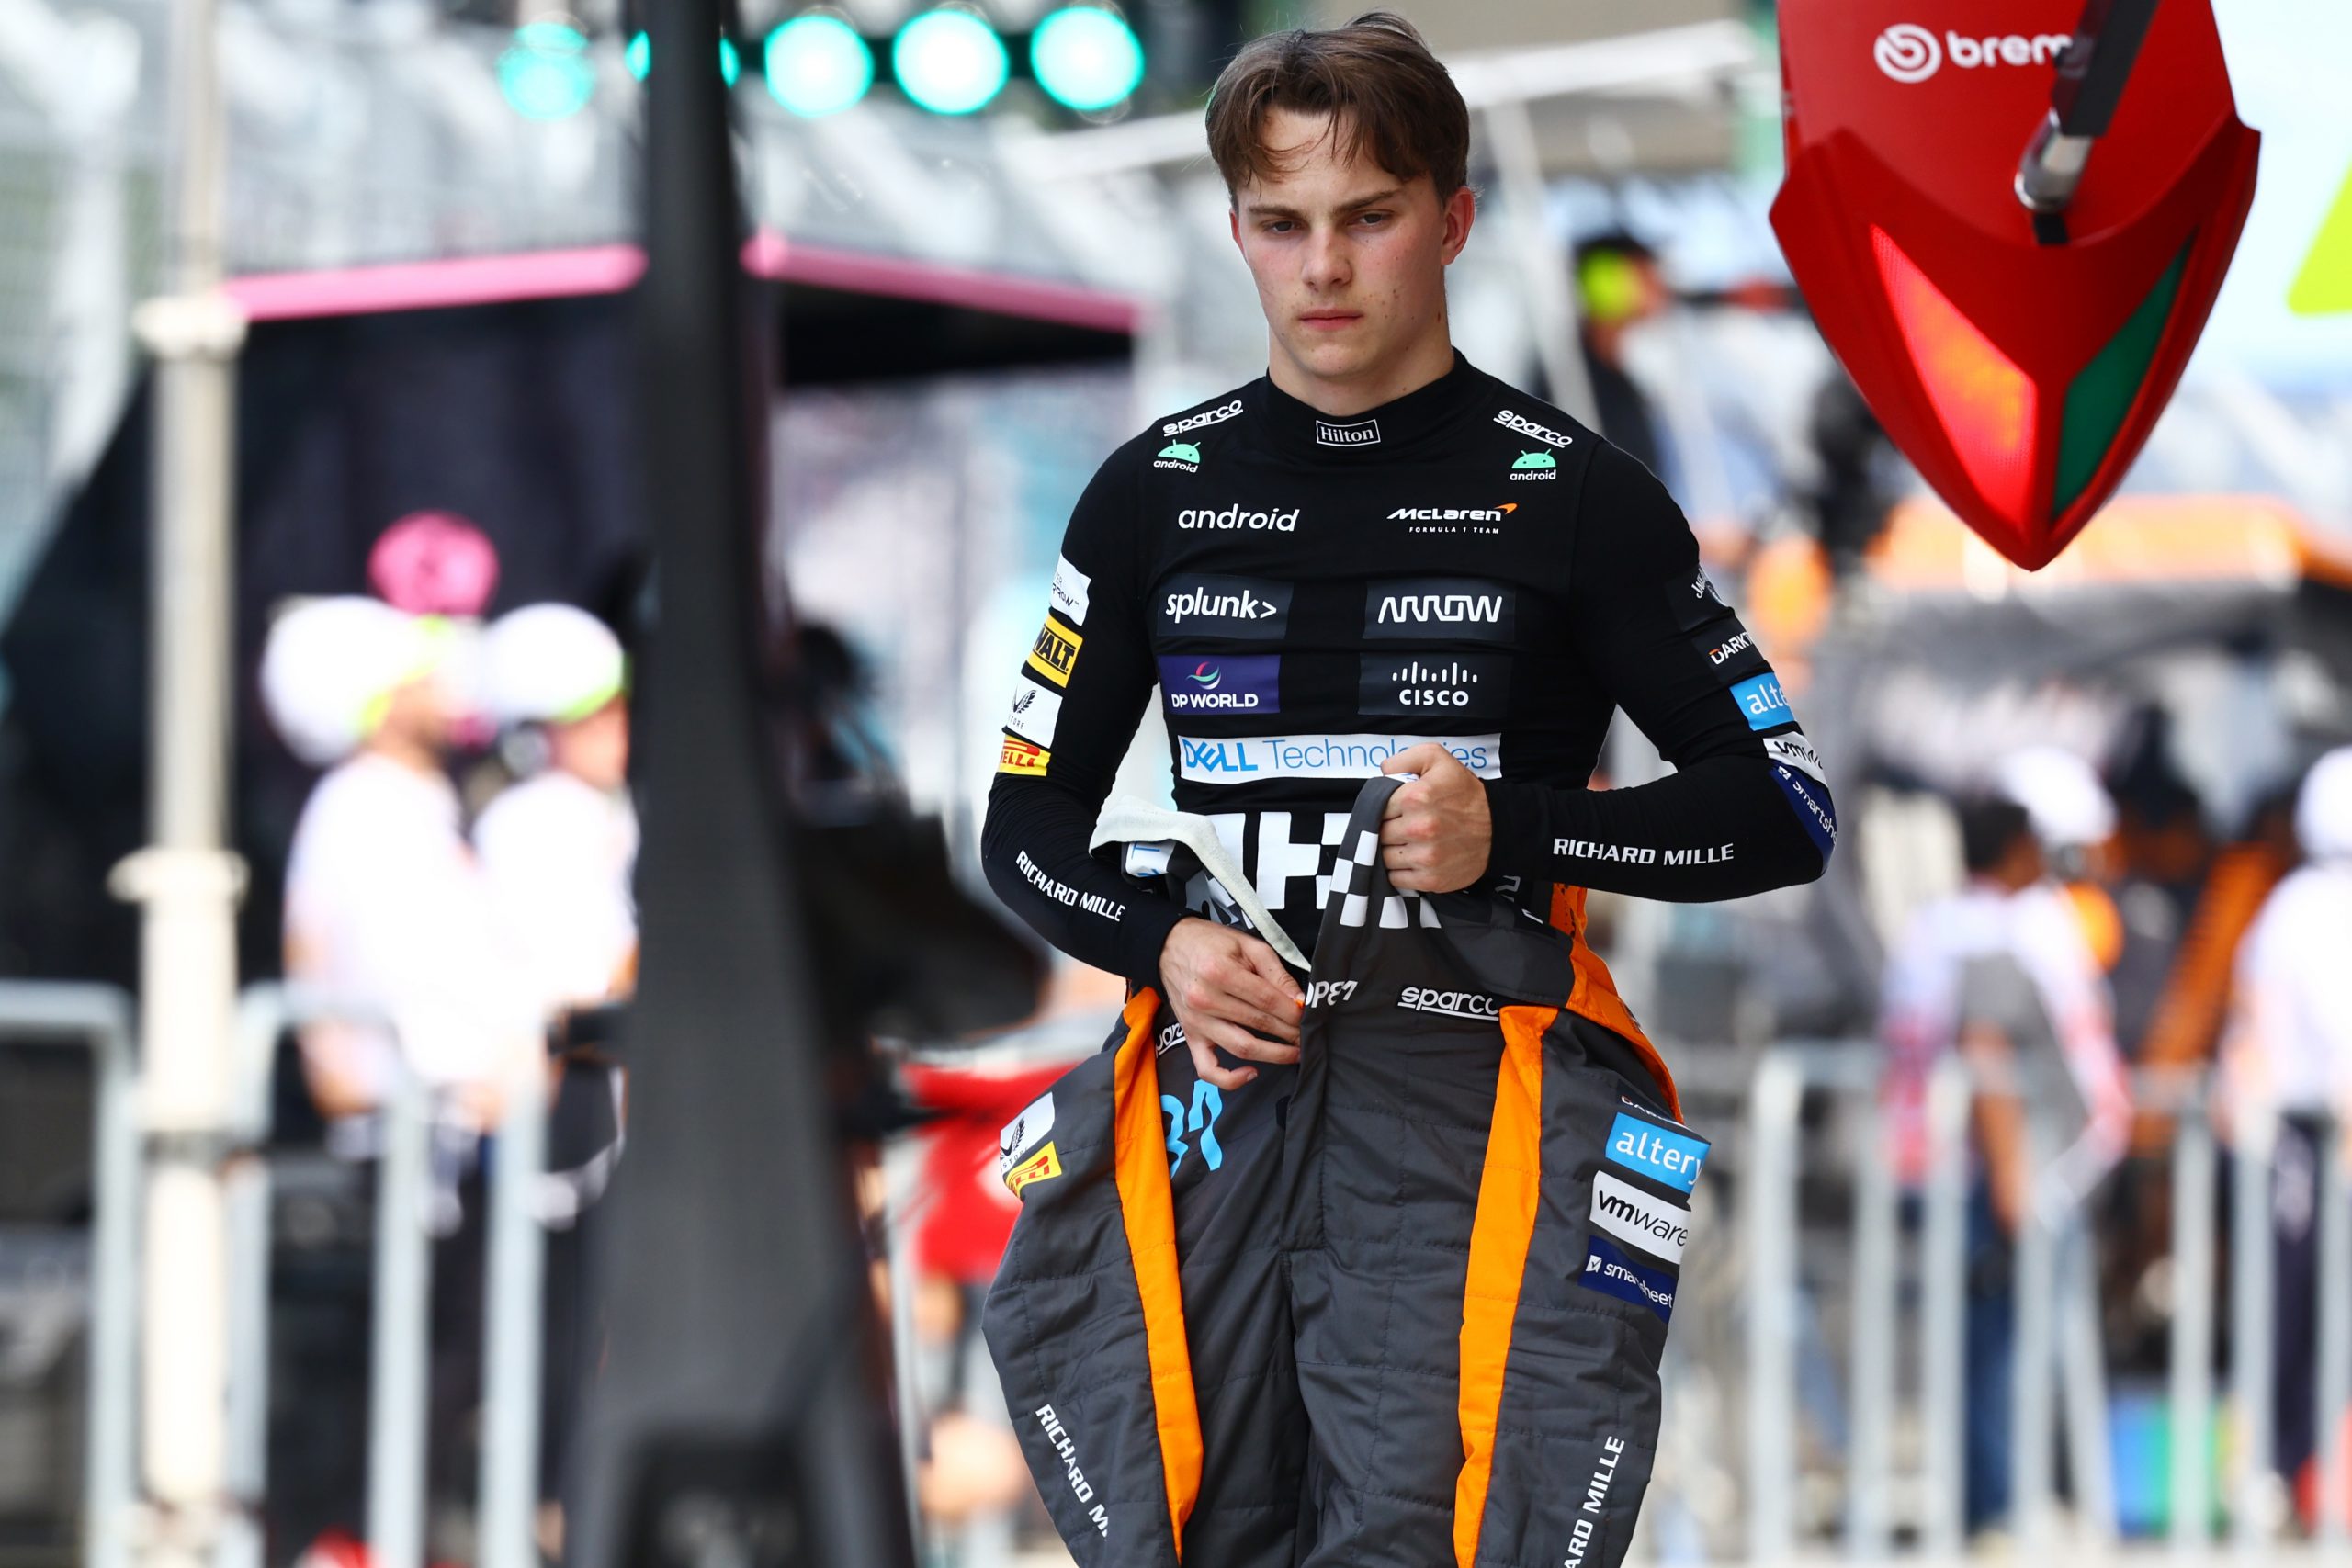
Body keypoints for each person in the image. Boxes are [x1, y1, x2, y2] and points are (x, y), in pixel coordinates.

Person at [977, 15, 1834, 1566]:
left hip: (1468, 1121)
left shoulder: (1579, 497)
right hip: (1212, 1120)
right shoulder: (1148, 495)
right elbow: (1021, 826)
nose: (1323, 268)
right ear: (1237, 228)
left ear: (1450, 218)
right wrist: (1160, 940)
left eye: (1367, 217)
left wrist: (1518, 827)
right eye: (1283, 223)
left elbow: (1784, 806)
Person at [1879, 795, 2130, 1534]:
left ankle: (1992, 1503)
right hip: (1994, 1171)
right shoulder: (1998, 930)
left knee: (1986, 1344)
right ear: (2016, 849)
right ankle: (1999, 1508)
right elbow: (1986, 1049)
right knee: (2006, 1349)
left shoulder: (1932, 925)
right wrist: (2016, 1175)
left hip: (1939, 1165)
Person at [2222, 747, 2352, 1519]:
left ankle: (2294, 1470)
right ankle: (2286, 1466)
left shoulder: (2287, 905)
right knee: (2301, 1311)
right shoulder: (2315, 907)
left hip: (2300, 1143)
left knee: (2299, 1310)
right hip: (2314, 1144)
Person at [1571, 230, 1671, 479]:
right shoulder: (1570, 381)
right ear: (1604, 282)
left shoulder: (1618, 375)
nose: (1659, 284)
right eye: (1644, 273)